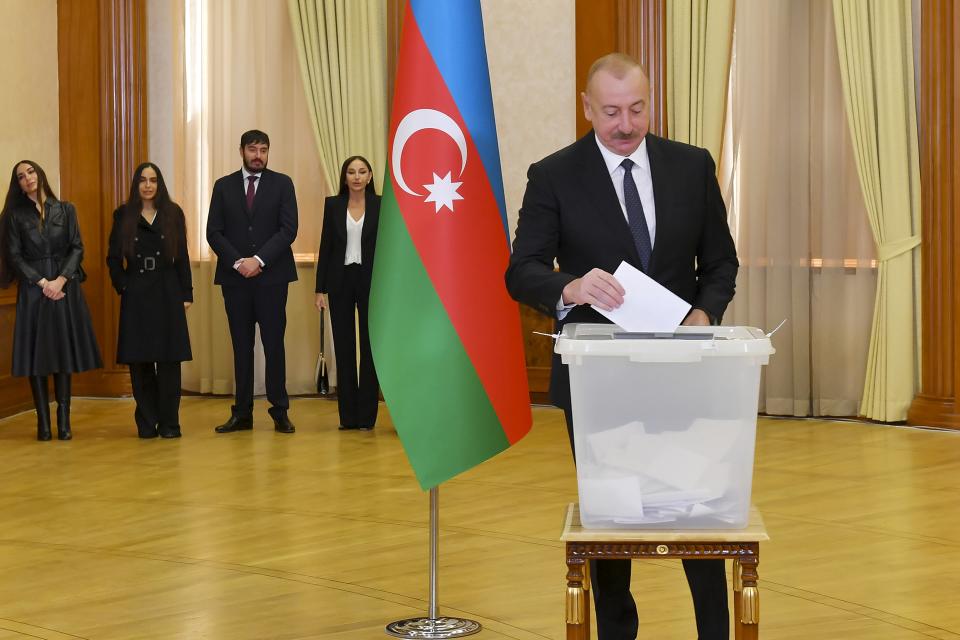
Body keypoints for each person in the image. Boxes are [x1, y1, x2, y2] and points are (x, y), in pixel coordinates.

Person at [505, 53, 739, 640]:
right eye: (611, 112)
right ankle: (617, 630)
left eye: (636, 109)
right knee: (612, 518)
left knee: (698, 510)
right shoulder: (553, 174)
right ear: (587, 108)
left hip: (685, 371)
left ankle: (714, 628)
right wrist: (571, 286)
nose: (626, 124)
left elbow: (720, 261)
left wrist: (704, 313)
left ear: (649, 102)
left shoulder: (690, 166)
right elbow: (521, 269)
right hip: (598, 379)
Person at [0, 160, 102, 441]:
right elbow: (14, 256)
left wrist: (61, 280)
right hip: (34, 291)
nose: (27, 178)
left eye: (30, 172)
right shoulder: (13, 216)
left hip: (63, 288)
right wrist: (43, 282)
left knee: (62, 354)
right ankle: (43, 424)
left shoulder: (66, 209)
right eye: (20, 176)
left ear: (40, 174)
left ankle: (64, 422)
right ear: (18, 185)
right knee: (37, 357)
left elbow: (77, 247)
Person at [206, 129, 298, 434]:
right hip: (236, 281)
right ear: (242, 151)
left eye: (263, 150)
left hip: (272, 279)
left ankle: (279, 410)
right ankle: (241, 412)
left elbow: (288, 230)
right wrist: (238, 262)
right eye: (253, 149)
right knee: (241, 347)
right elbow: (214, 232)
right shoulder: (223, 186)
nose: (258, 155)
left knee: (274, 345)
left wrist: (258, 261)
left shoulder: (282, 184)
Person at [106, 163, 192, 439]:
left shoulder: (172, 213)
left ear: (159, 184)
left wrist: (186, 293)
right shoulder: (123, 215)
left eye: (153, 180)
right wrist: (123, 286)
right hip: (137, 294)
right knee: (140, 363)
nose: (148, 185)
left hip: (168, 292)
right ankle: (146, 422)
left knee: (169, 363)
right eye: (143, 180)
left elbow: (183, 256)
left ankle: (169, 423)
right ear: (136, 184)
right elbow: (112, 259)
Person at [314, 156, 381, 431]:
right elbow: (326, 245)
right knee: (344, 348)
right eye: (351, 172)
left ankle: (367, 417)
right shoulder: (333, 204)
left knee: (369, 348)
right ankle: (348, 418)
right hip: (340, 281)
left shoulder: (381, 204)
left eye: (362, 172)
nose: (356, 176)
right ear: (344, 177)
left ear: (369, 176)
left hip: (372, 282)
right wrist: (320, 289)